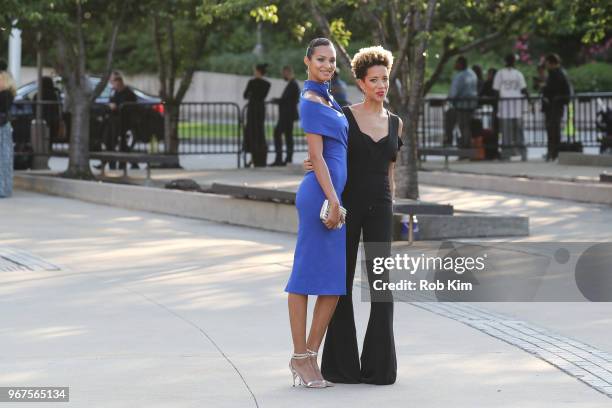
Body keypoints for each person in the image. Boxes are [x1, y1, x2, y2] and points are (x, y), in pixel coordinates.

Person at [304, 46, 403, 385]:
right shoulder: (344, 116)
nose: (381, 85)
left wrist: (394, 204)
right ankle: (341, 367)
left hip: (382, 205)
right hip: (347, 207)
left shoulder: (396, 123)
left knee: (381, 286)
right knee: (341, 283)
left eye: (385, 79)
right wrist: (313, 169)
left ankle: (380, 368)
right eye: (374, 79)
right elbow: (326, 156)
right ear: (361, 82)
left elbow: (391, 171)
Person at [285, 38, 348, 388]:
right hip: (320, 199)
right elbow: (319, 155)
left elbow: (333, 145)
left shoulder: (328, 96)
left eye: (331, 60)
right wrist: (334, 199)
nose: (326, 65)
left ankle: (308, 356)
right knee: (305, 276)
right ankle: (300, 356)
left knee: (332, 284)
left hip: (332, 195)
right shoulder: (310, 101)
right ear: (307, 61)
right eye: (320, 59)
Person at [493, 53, 529, 160]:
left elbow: (495, 90)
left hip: (505, 108)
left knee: (506, 133)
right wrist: (529, 100)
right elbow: (524, 89)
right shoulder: (518, 74)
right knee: (519, 132)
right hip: (516, 107)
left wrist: (496, 105)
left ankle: (506, 155)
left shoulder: (500, 74)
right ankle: (523, 154)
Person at [100, 71, 137, 170]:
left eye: (113, 82)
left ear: (119, 81)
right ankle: (108, 163)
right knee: (109, 142)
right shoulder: (114, 92)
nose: (112, 84)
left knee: (122, 145)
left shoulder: (128, 93)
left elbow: (128, 107)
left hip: (124, 122)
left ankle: (124, 164)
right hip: (113, 121)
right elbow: (111, 102)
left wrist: (117, 107)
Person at [541, 53, 572, 161]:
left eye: (547, 63)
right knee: (554, 129)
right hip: (556, 105)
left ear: (550, 63)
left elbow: (552, 89)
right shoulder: (560, 73)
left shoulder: (556, 74)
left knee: (553, 129)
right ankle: (553, 152)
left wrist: (544, 88)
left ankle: (553, 152)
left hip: (554, 106)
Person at [444, 56, 478, 148]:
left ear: (460, 64)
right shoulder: (472, 74)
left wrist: (448, 99)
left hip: (462, 105)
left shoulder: (459, 76)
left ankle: (464, 145)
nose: (455, 65)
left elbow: (453, 93)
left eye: (456, 63)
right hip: (472, 104)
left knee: (463, 126)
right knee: (467, 125)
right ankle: (466, 144)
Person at [270, 65, 300, 166]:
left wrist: (275, 100)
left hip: (287, 115)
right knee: (288, 136)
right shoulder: (292, 84)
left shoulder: (293, 84)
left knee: (277, 133)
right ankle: (287, 159)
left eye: (283, 73)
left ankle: (280, 159)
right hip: (288, 115)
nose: (283, 75)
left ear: (287, 72)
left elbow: (286, 100)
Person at [243, 63, 271, 167]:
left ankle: (253, 157)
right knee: (259, 132)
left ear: (258, 71)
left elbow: (245, 95)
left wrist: (251, 94)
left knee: (251, 132)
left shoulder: (251, 82)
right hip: (260, 110)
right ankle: (259, 157)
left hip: (252, 109)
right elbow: (262, 96)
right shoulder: (267, 84)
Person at [0, 68, 16, 198]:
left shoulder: (5, 94)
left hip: (2, 128)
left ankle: (3, 188)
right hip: (3, 127)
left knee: (4, 159)